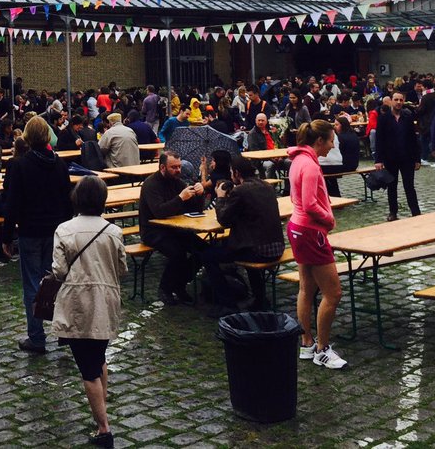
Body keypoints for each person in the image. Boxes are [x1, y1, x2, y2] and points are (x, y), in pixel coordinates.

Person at [50, 177, 126, 449]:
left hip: (78, 303)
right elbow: (121, 268)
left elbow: (59, 270)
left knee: (88, 368)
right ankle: (101, 409)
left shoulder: (64, 230)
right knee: (98, 357)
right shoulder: (114, 231)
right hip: (105, 300)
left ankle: (104, 428)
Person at [1, 115, 73, 354]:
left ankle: (37, 336)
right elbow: (67, 200)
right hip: (55, 231)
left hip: (31, 231)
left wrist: (6, 236)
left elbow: (12, 203)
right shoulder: (59, 164)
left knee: (32, 284)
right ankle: (63, 332)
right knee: (56, 281)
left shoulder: (21, 165)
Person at [287, 120, 347, 369]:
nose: (332, 145)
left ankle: (307, 342)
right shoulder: (310, 166)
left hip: (297, 228)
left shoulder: (297, 160)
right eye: (331, 140)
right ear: (319, 140)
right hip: (311, 232)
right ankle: (322, 349)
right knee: (333, 293)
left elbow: (297, 199)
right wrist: (329, 219)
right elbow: (310, 204)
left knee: (306, 287)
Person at [202, 156, 286, 315]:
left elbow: (224, 219)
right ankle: (259, 299)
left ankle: (227, 303)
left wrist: (220, 197)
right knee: (245, 249)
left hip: (258, 251)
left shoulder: (240, 191)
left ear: (236, 173)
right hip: (277, 247)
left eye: (232, 172)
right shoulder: (267, 186)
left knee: (208, 255)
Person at [138, 150, 205, 305]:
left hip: (175, 229)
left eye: (179, 166)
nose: (178, 170)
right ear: (162, 167)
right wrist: (180, 198)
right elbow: (159, 212)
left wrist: (200, 194)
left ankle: (179, 285)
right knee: (177, 253)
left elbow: (194, 209)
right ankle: (165, 289)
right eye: (174, 167)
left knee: (204, 251)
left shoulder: (177, 182)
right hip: (153, 231)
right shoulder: (151, 184)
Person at [374, 93, 422, 221]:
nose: (399, 102)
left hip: (407, 158)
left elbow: (413, 139)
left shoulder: (408, 117)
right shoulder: (383, 118)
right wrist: (378, 160)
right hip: (390, 158)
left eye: (401, 100)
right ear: (391, 101)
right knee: (392, 186)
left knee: (409, 186)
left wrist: (417, 159)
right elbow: (379, 140)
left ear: (404, 101)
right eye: (396, 100)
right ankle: (393, 212)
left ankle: (415, 212)